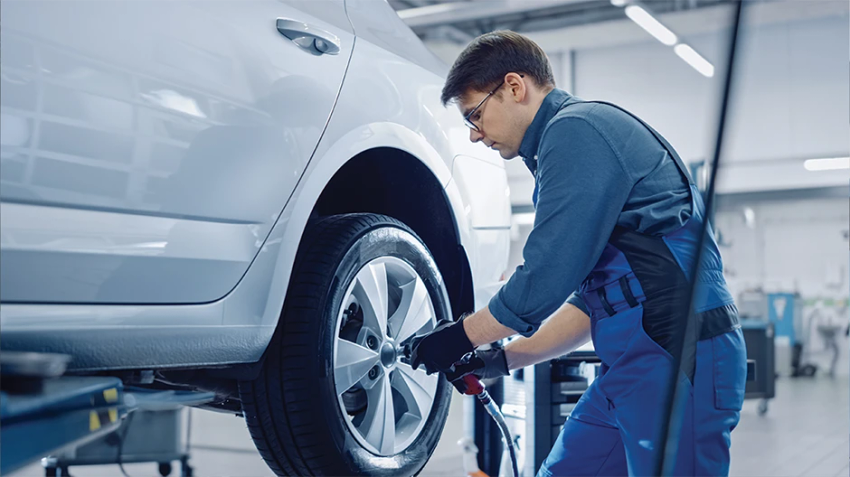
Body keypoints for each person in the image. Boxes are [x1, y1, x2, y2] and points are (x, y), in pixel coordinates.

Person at [408, 31, 747, 477]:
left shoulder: (576, 130)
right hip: (632, 361)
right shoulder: (563, 146)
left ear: (514, 87)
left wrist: (459, 336)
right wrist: (503, 358)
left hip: (678, 353)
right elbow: (596, 302)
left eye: (475, 115)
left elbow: (544, 279)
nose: (474, 135)